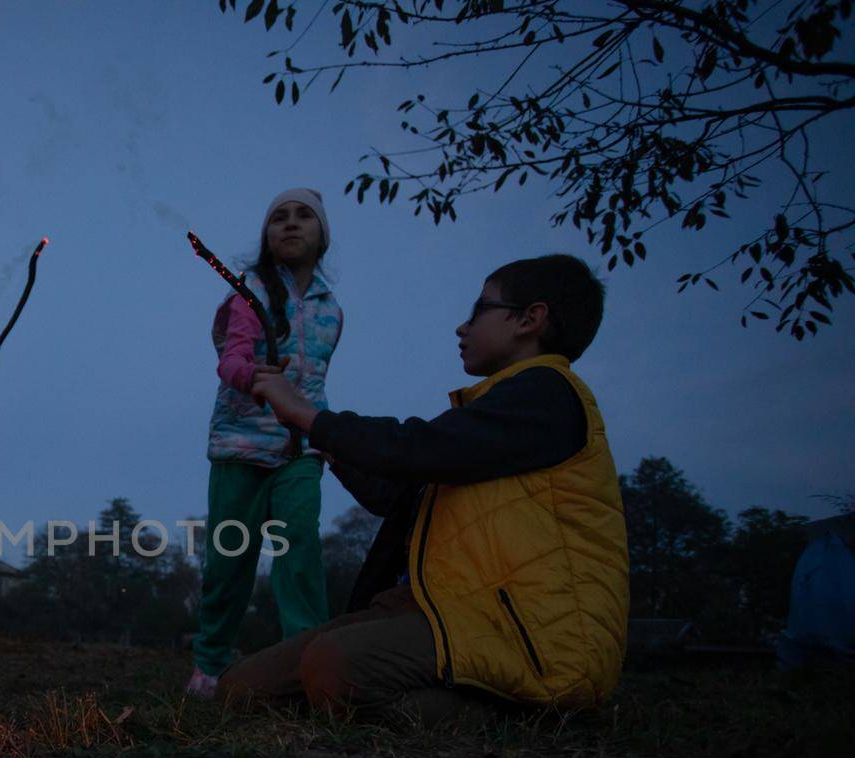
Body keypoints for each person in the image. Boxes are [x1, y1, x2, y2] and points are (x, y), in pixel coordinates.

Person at [226, 253, 628, 719]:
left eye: (480, 309)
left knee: (334, 665)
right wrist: (316, 433)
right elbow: (395, 492)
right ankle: (354, 695)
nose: (463, 327)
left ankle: (525, 714)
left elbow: (414, 448)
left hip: (526, 632)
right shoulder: (487, 422)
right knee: (242, 690)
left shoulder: (549, 395)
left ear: (530, 319)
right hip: (440, 609)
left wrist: (308, 415)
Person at [186, 187, 341, 699]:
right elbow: (228, 359)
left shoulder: (330, 310)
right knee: (230, 557)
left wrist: (324, 433)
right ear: (266, 235)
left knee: (301, 553)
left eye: (303, 217)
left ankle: (307, 665)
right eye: (278, 217)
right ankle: (209, 664)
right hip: (241, 445)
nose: (290, 224)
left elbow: (316, 380)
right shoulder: (245, 294)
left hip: (299, 450)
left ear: (322, 235)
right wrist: (252, 376)